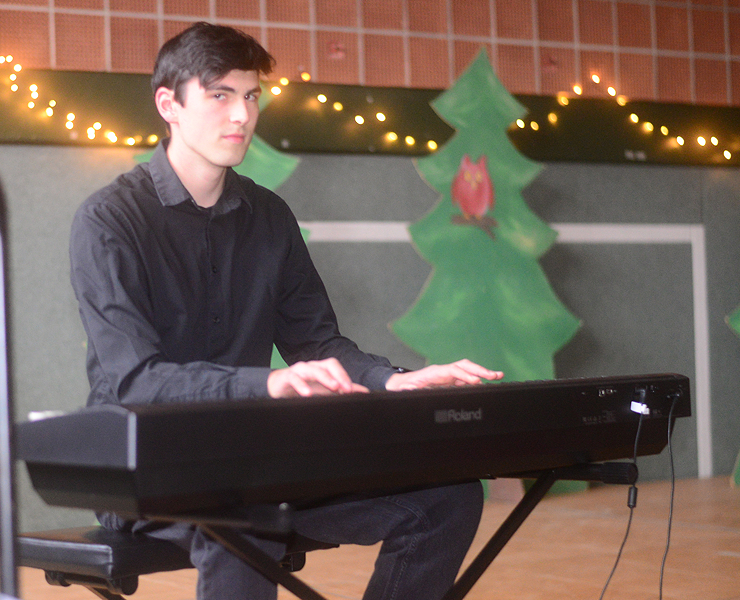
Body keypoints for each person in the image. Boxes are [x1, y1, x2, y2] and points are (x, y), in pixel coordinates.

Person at [69, 21, 504, 600]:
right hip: (144, 466)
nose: (242, 115)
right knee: (246, 518)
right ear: (168, 105)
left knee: (447, 498)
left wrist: (391, 381)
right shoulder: (108, 220)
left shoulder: (269, 215)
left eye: (251, 96)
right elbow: (135, 382)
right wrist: (269, 384)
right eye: (220, 94)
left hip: (252, 460)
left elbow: (317, 343)